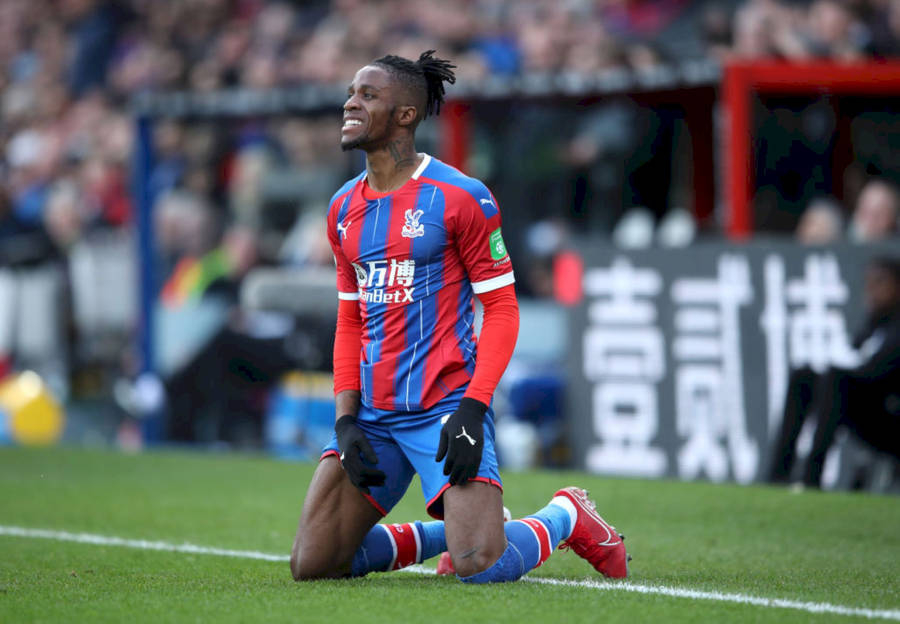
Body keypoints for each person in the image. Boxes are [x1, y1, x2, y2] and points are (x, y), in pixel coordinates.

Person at [289, 51, 629, 583]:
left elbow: (501, 307)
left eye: (368, 95)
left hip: (444, 409)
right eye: (352, 92)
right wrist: (345, 420)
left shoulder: (461, 197)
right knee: (314, 564)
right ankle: (448, 532)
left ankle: (566, 515)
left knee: (481, 566)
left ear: (405, 115)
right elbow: (350, 322)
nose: (350, 103)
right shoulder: (340, 210)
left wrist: (474, 409)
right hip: (373, 416)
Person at [769, 256, 900, 488]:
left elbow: (876, 372)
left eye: (880, 283)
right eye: (868, 284)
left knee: (836, 379)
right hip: (865, 406)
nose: (871, 291)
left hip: (891, 420)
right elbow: (855, 355)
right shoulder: (875, 322)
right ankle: (777, 475)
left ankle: (812, 478)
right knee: (805, 376)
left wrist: (840, 371)